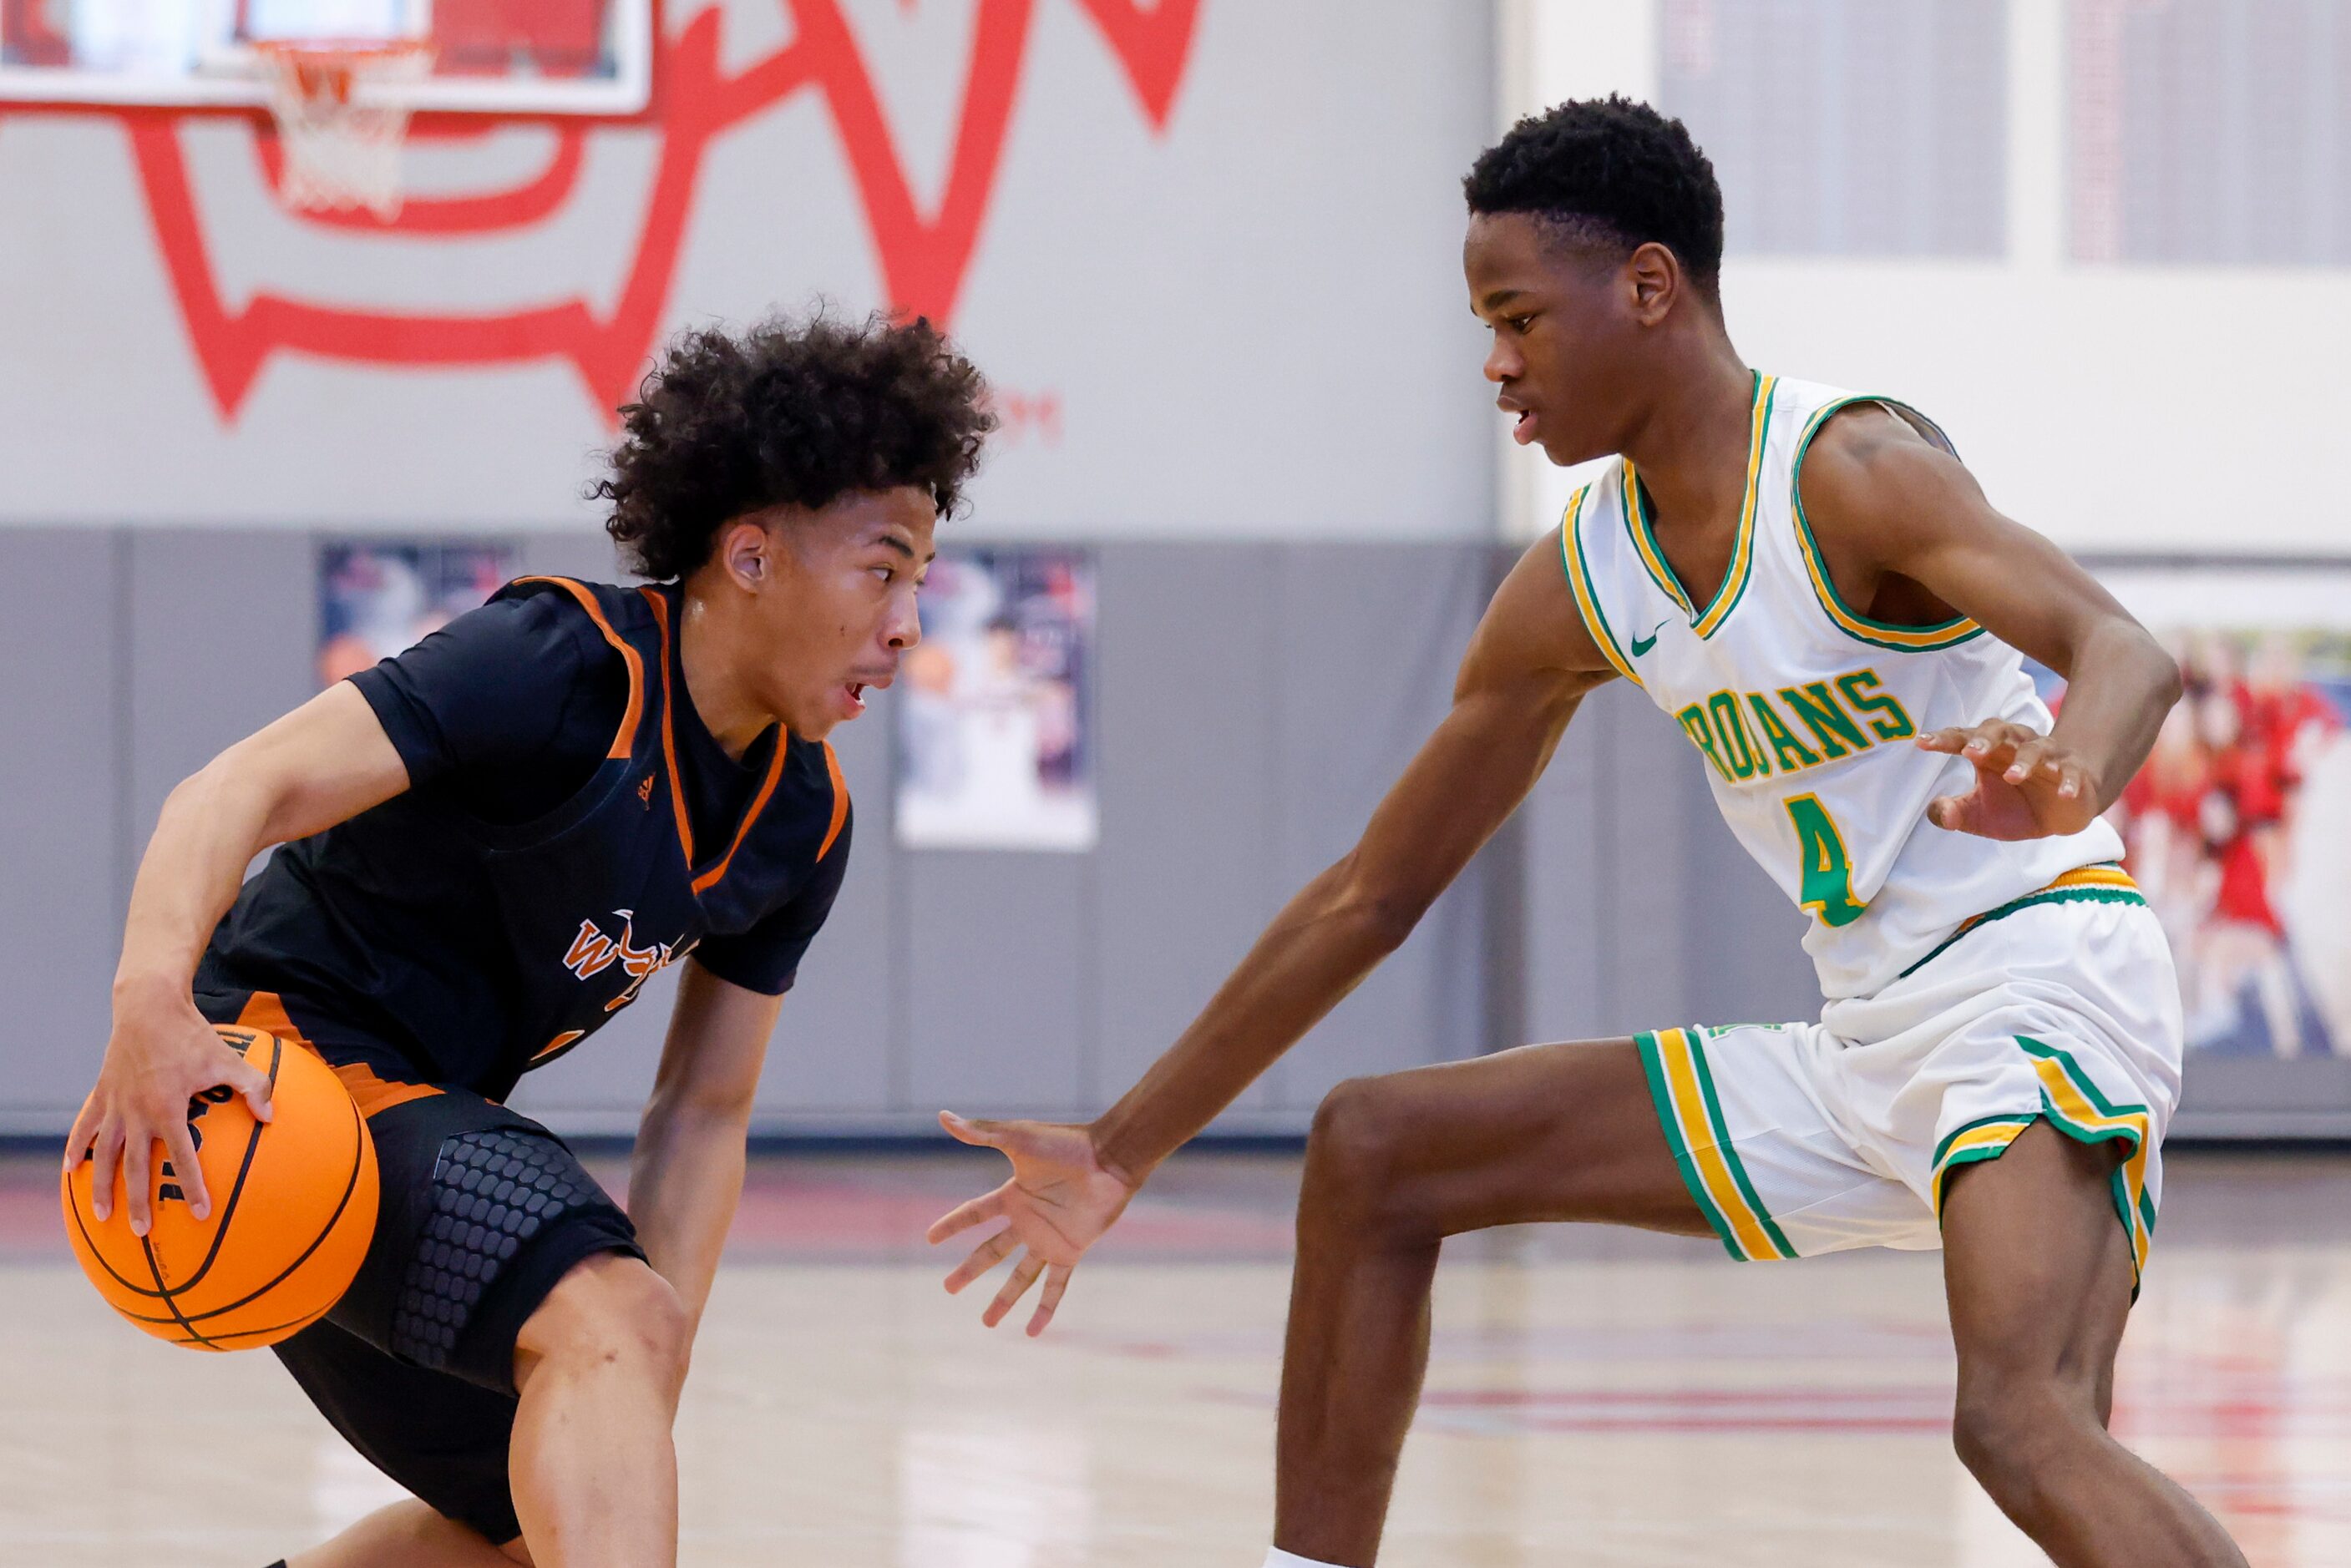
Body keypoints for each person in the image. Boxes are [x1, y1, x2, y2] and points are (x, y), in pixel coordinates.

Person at [927, 99, 2247, 1567]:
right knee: (1376, 1152)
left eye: (1516, 317)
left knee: (2021, 1418)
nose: (1496, 362)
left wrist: (2065, 774)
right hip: (1869, 1037)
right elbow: (1374, 891)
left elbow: (2122, 648)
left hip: (2037, 976)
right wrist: (1123, 1147)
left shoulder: (1847, 470)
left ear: (1646, 286)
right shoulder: (1585, 580)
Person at [68, 312, 991, 1567]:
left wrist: (642, 1347)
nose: (909, 626)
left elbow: (703, 1113)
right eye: (884, 569)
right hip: (275, 1068)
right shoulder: (563, 663)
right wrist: (147, 1003)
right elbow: (240, 787)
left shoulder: (799, 821)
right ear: (754, 555)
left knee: (531, 1514)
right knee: (600, 1355)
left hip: (403, 1114)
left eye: (922, 582)